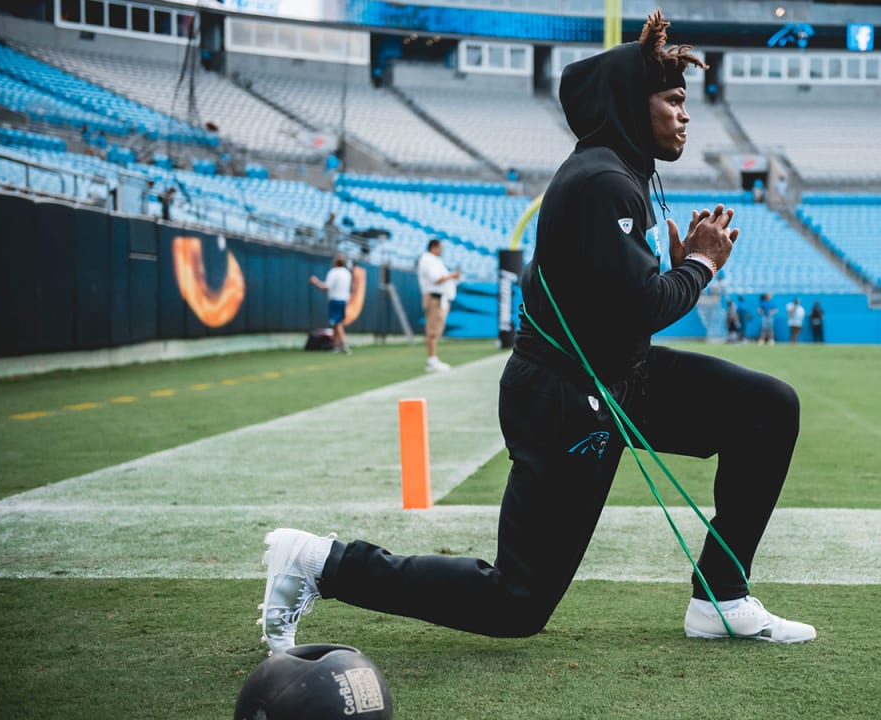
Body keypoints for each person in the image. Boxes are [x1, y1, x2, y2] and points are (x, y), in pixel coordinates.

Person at [254, 10, 814, 655]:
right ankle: (317, 562)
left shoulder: (622, 173)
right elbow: (643, 305)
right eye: (674, 99)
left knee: (766, 408)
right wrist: (701, 264)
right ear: (635, 104)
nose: (686, 115)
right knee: (515, 603)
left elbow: (616, 302)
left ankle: (723, 596)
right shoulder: (605, 179)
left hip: (618, 377)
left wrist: (682, 265)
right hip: (565, 399)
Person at [416, 238, 462, 372]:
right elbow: (436, 279)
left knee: (436, 330)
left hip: (439, 298)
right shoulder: (427, 260)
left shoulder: (434, 260)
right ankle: (432, 360)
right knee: (432, 330)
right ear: (433, 247)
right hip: (434, 298)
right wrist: (452, 276)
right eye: (440, 248)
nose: (441, 251)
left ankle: (433, 359)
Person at [309, 255, 352, 354]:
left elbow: (326, 287)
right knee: (336, 324)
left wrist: (315, 281)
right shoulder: (347, 273)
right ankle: (335, 346)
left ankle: (345, 345)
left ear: (335, 262)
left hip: (335, 300)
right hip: (344, 300)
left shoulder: (334, 272)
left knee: (338, 323)